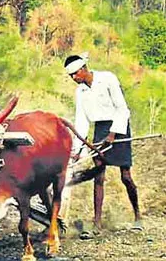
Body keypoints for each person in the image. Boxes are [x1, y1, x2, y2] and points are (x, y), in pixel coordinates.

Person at [62, 53, 141, 237]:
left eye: (75, 74)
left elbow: (123, 109)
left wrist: (113, 134)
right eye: (70, 76)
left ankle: (137, 215)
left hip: (119, 126)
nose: (74, 78)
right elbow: (81, 121)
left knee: (126, 176)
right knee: (98, 176)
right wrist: (78, 149)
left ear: (83, 69)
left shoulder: (107, 79)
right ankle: (96, 223)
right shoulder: (80, 91)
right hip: (100, 129)